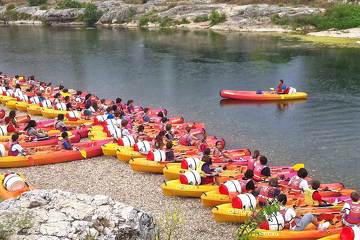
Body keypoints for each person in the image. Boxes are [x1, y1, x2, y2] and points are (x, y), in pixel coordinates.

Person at [261, 194, 330, 231]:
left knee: (297, 218)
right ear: (283, 202)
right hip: (294, 229)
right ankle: (319, 226)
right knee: (309, 215)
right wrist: (301, 216)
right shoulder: (288, 210)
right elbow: (298, 216)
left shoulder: (273, 209)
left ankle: (314, 221)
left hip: (284, 225)